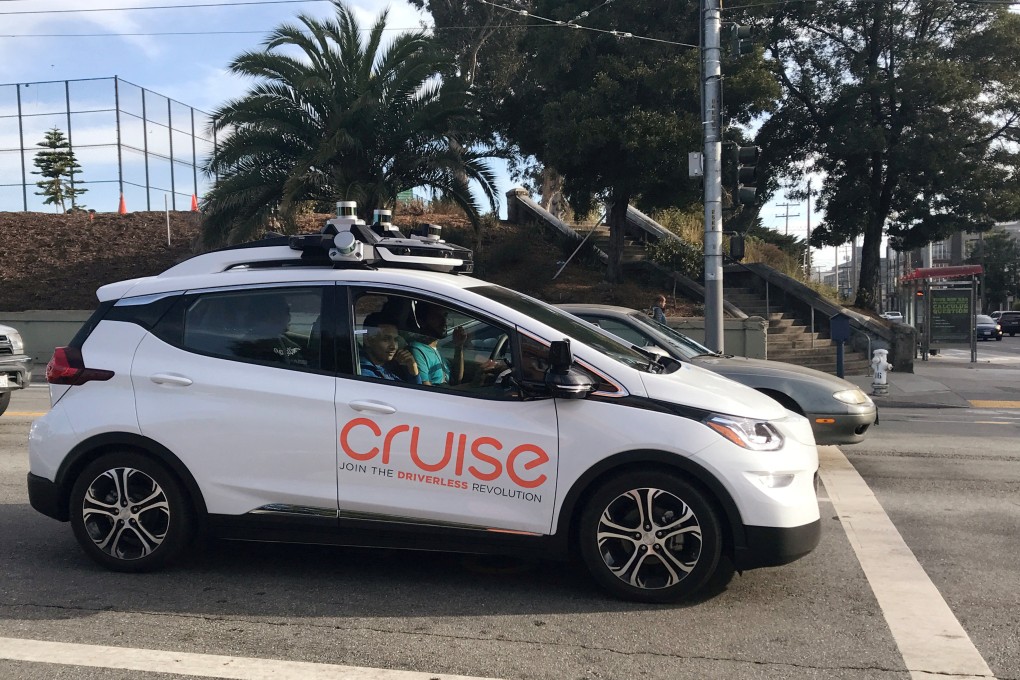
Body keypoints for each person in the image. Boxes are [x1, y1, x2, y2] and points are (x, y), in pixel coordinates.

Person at [408, 301, 465, 386]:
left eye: (445, 316)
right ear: (422, 322)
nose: (444, 321)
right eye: (437, 317)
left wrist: (458, 346)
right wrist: (472, 385)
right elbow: (426, 390)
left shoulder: (436, 350)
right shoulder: (417, 350)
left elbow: (457, 379)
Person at [359, 312, 422, 383]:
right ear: (367, 340)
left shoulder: (393, 366)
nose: (393, 347)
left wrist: (413, 371)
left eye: (395, 340)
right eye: (385, 339)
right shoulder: (364, 373)